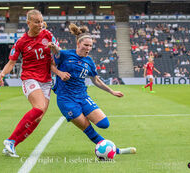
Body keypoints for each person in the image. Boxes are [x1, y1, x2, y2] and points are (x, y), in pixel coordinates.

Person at [49, 23, 136, 156]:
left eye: (90, 46)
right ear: (78, 44)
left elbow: (96, 80)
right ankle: (115, 150)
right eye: (86, 45)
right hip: (66, 100)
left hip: (83, 97)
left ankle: (108, 148)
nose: (88, 48)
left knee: (104, 123)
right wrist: (59, 70)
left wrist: (112, 91)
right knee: (88, 128)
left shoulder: (89, 61)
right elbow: (52, 61)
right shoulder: (66, 55)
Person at [0, 10, 70, 157]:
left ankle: (11, 146)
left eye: (41, 21)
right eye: (36, 21)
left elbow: (58, 55)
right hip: (30, 78)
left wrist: (56, 54)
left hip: (46, 81)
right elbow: (12, 62)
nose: (40, 24)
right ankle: (10, 140)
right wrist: (3, 73)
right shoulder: (21, 42)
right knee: (38, 108)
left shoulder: (48, 35)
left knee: (38, 118)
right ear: (28, 23)